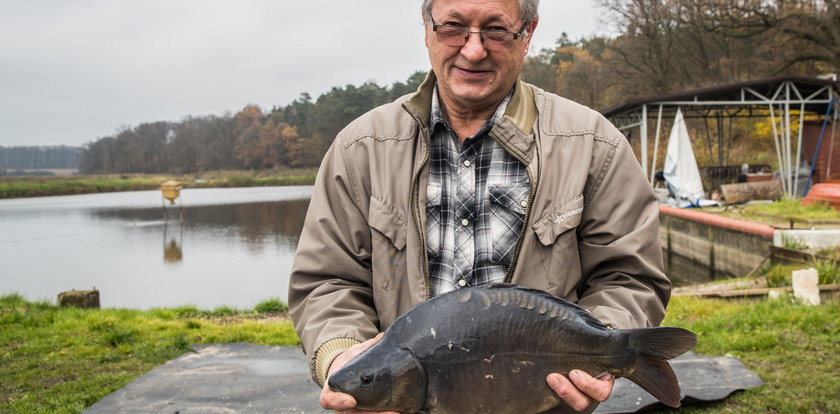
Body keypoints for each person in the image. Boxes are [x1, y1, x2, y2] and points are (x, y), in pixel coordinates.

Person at [289, 0, 671, 412]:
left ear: (528, 34)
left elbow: (630, 277)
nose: (473, 50)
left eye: (495, 30)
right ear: (426, 28)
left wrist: (594, 350)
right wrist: (345, 355)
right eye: (453, 27)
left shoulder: (595, 144)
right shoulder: (359, 148)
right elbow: (327, 282)